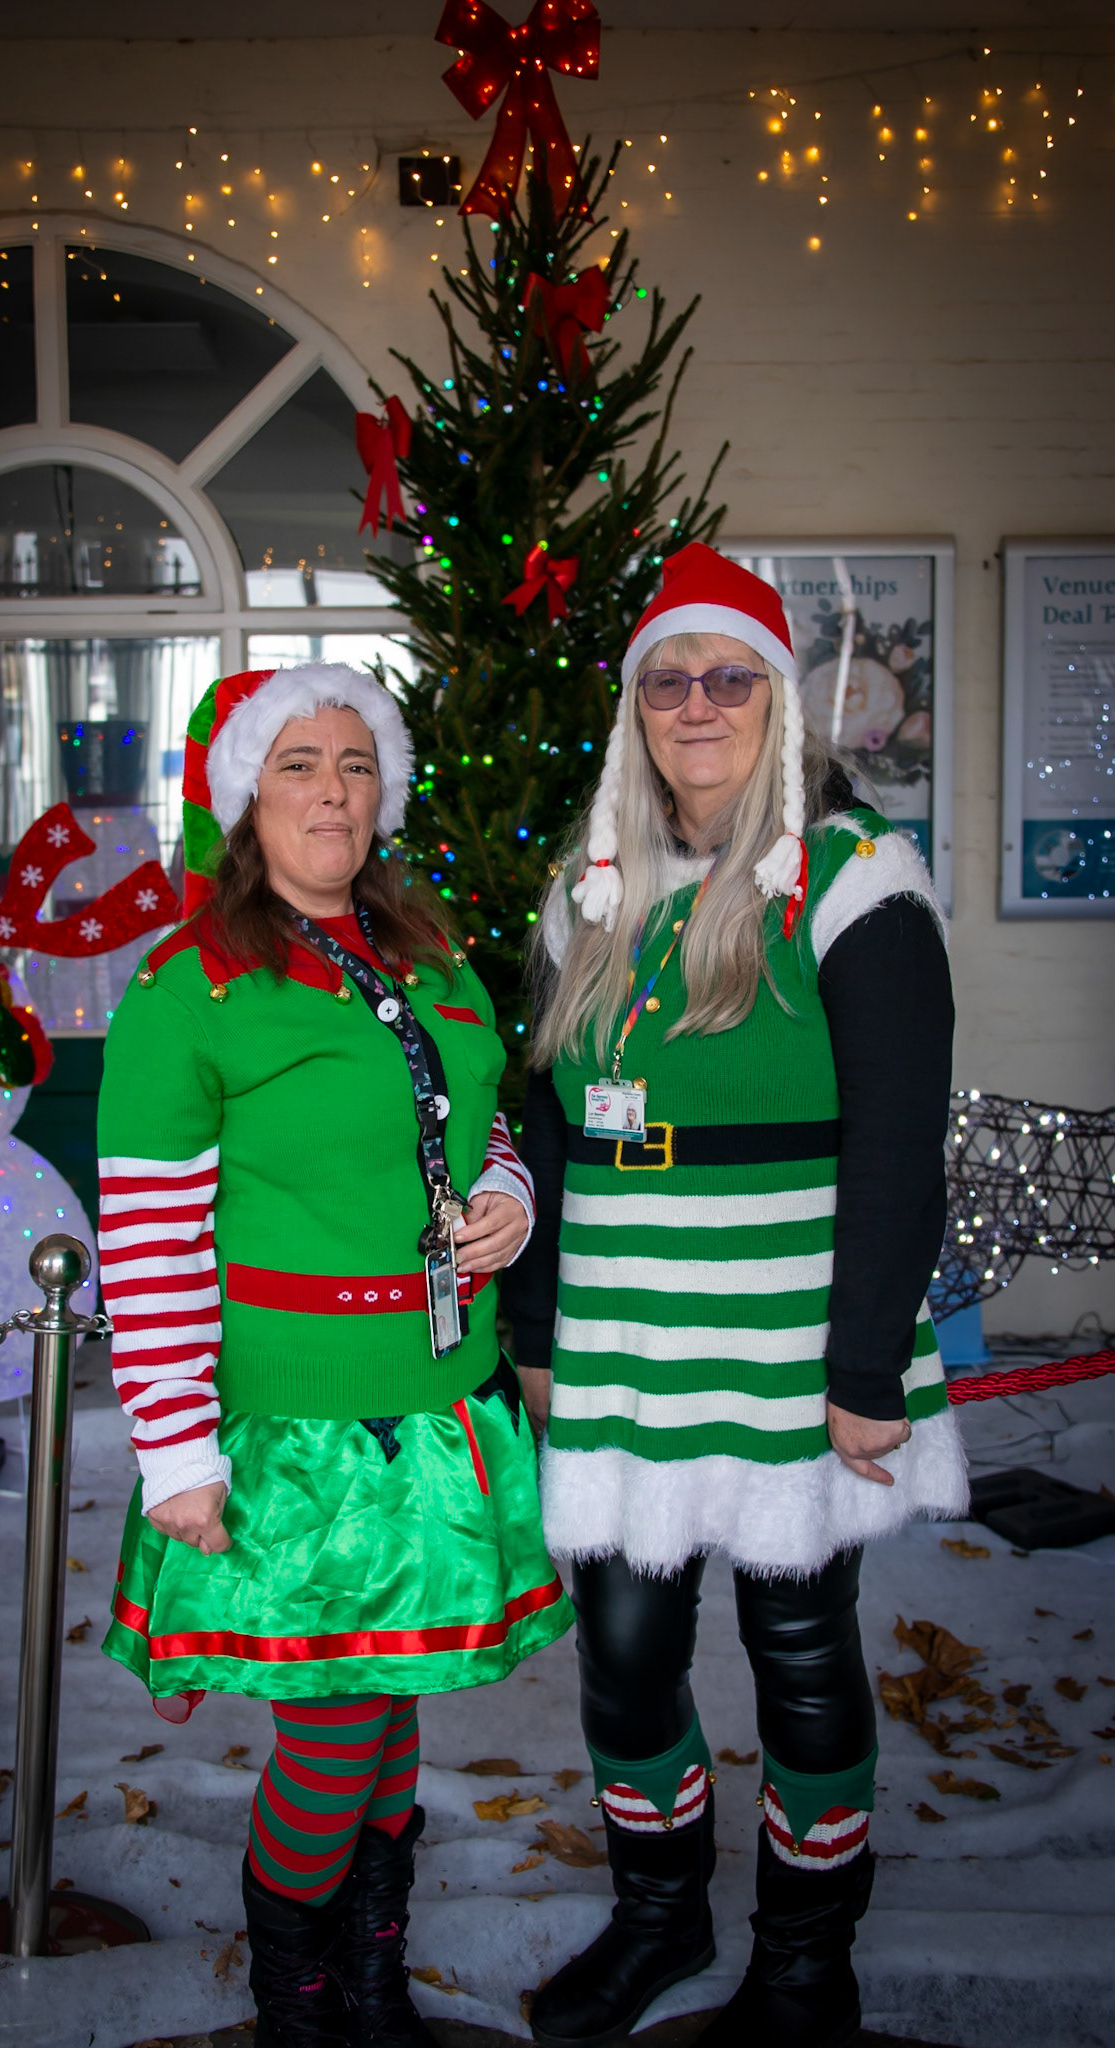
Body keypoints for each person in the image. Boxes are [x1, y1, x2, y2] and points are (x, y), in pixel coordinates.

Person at [500, 545, 967, 2048]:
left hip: (787, 1341)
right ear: (635, 706)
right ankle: (659, 1918)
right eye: (667, 678)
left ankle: (802, 1961)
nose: (695, 705)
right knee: (626, 1652)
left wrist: (864, 1369)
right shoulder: (593, 892)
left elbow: (901, 1142)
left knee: (801, 1649)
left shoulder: (853, 881)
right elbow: (557, 1132)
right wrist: (531, 1336)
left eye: (729, 676)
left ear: (779, 699)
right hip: (625, 1343)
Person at [98, 663, 572, 2047]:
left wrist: (508, 1198)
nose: (331, 789)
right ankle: (298, 2006)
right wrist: (176, 1451)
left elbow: (474, 1118)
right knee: (334, 1728)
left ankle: (366, 1984)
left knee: (392, 1693)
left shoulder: (423, 953)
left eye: (355, 764)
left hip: (437, 1407)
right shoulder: (191, 987)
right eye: (299, 761)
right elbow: (146, 1240)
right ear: (250, 791)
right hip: (291, 1431)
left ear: (386, 793)